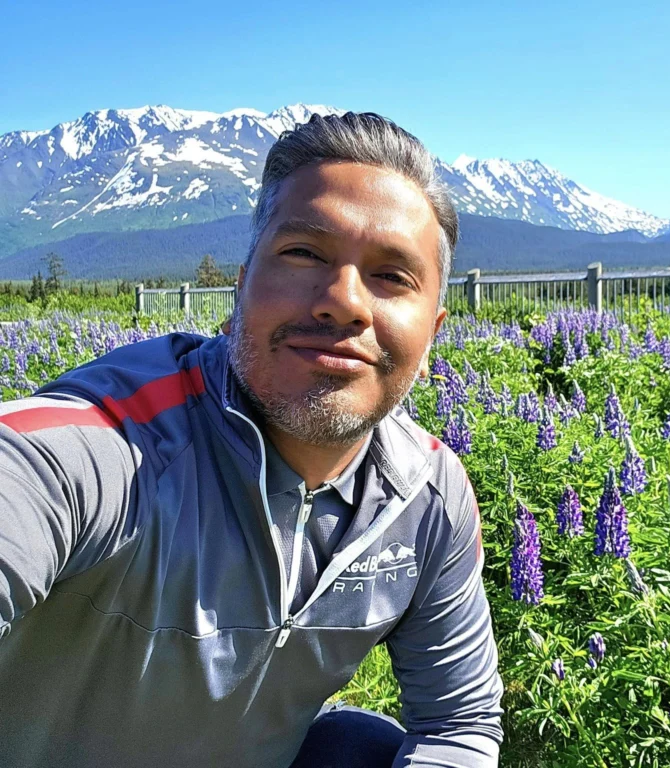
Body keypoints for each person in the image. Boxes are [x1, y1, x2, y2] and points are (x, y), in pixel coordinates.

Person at [0, 112, 504, 767]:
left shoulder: (427, 497)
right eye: (303, 254)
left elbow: (457, 723)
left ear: (433, 330)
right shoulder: (104, 448)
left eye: (391, 276)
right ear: (240, 288)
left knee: (355, 748)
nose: (343, 301)